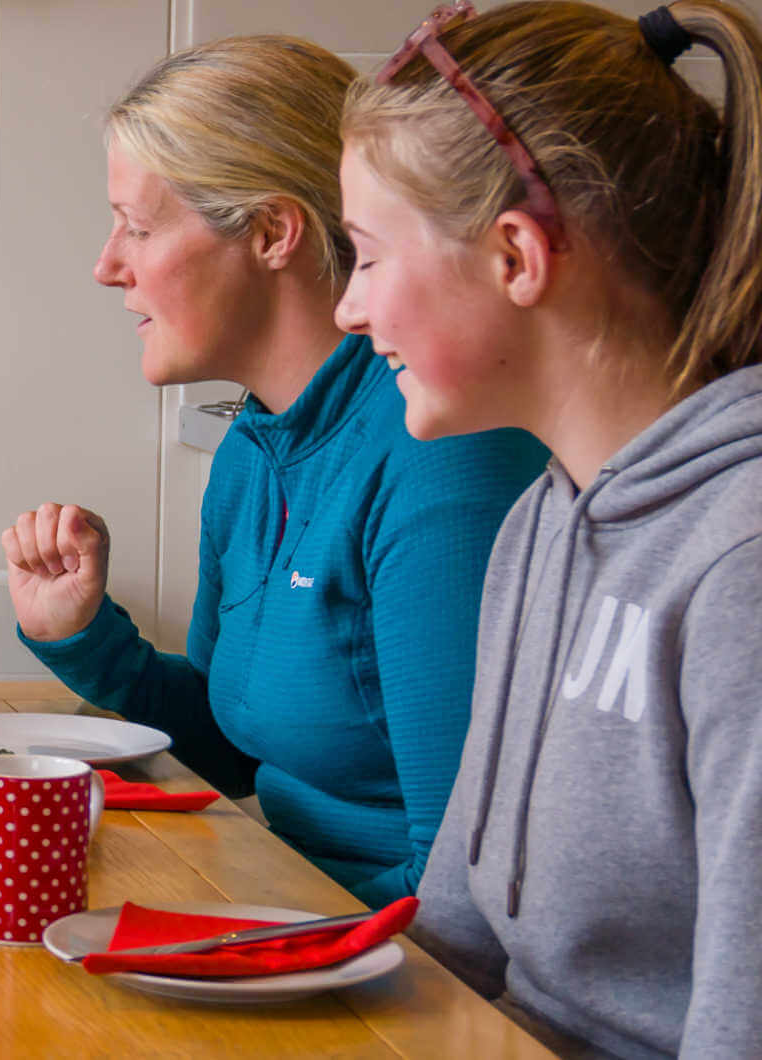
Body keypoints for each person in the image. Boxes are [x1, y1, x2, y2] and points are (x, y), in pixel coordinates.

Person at [0, 36, 546, 907]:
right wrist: (86, 637)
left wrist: (252, 952)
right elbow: (232, 745)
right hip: (282, 913)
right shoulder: (253, 451)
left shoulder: (444, 462)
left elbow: (465, 887)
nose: (107, 266)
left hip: (391, 980)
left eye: (138, 227)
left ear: (269, 232)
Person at [342, 2, 762, 1053]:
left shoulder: (740, 565)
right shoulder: (537, 521)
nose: (349, 309)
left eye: (367, 257)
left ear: (516, 257)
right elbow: (453, 938)